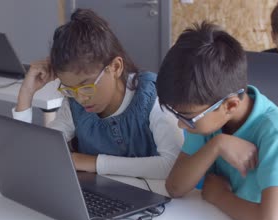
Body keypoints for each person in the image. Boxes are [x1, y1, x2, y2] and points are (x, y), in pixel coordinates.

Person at [156, 21, 278, 220]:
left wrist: (219, 196)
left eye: (186, 118)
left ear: (231, 105)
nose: (180, 124)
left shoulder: (275, 130)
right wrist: (217, 145)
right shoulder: (206, 117)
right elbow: (175, 187)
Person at [12, 9, 183, 179]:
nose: (81, 98)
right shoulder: (74, 103)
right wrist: (26, 94)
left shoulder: (152, 97)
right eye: (70, 89)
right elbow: (36, 154)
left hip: (155, 200)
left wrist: (93, 163)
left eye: (86, 86)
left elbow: (173, 166)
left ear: (115, 67)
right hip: (102, 197)